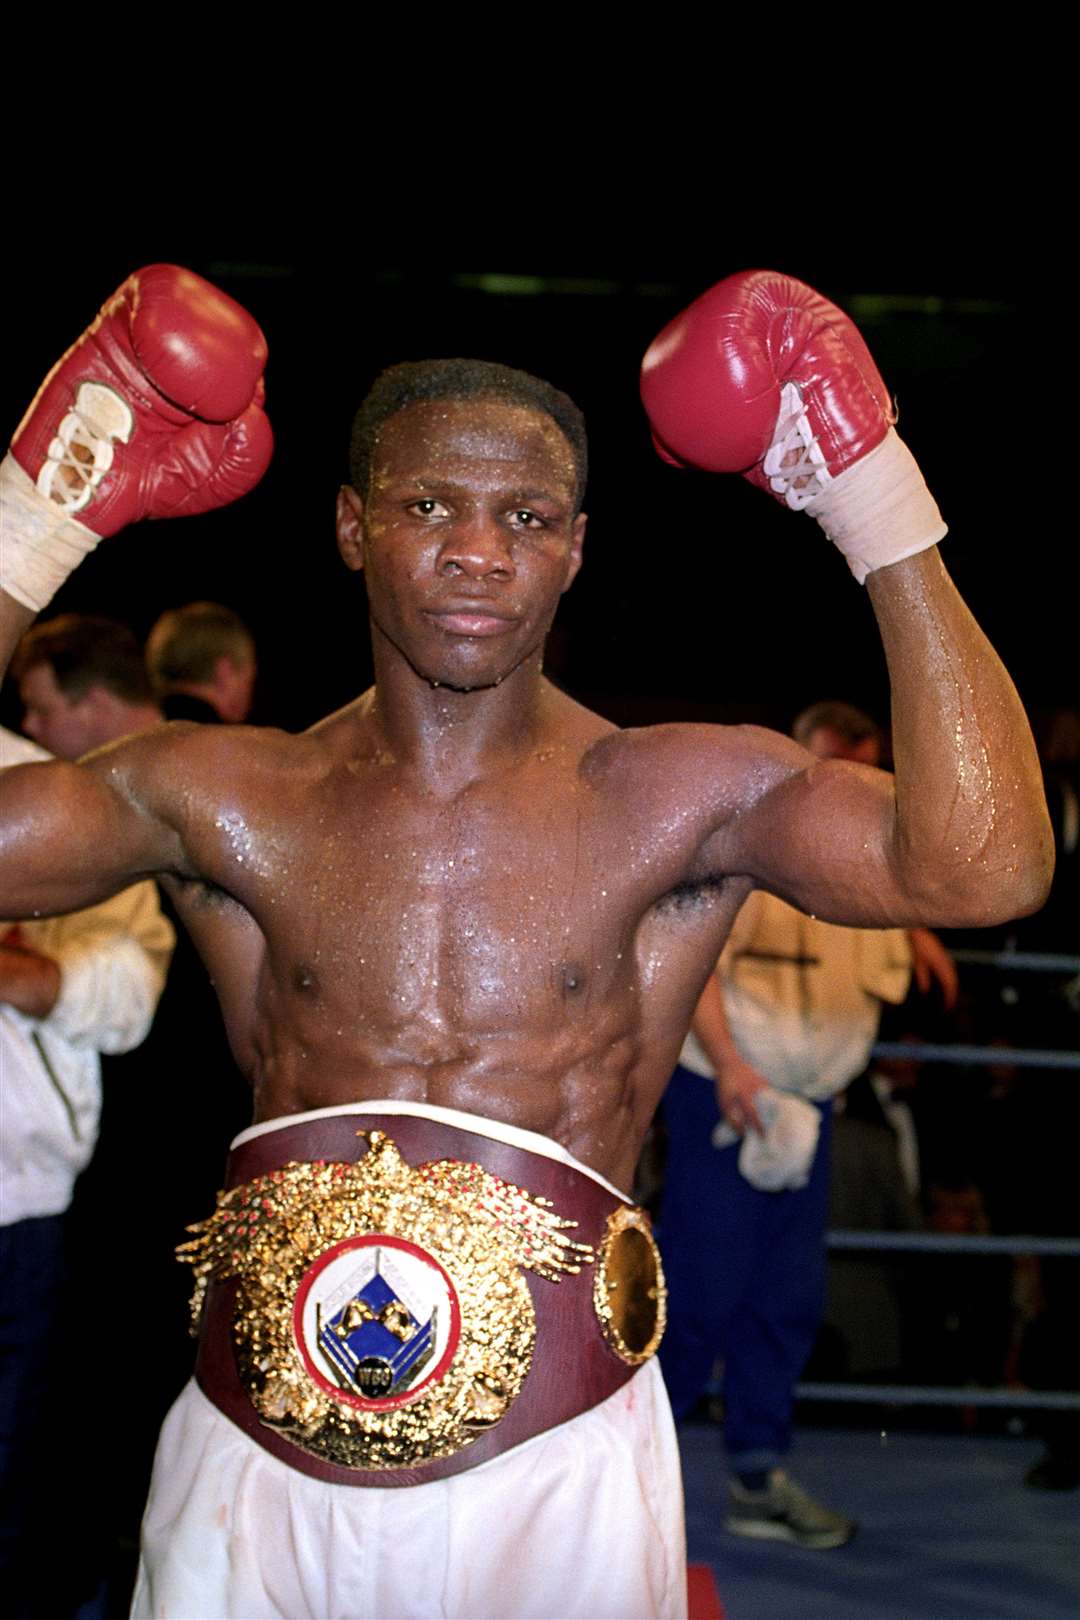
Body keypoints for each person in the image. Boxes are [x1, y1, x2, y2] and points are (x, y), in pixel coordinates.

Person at [0, 263, 1053, 1620]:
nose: (478, 550)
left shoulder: (676, 796)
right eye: (429, 506)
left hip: (551, 1467)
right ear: (351, 526)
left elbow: (986, 867)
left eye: (526, 516)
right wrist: (33, 516)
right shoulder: (222, 794)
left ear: (575, 548)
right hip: (250, 1467)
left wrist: (871, 497)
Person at [658, 703, 957, 1548]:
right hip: (724, 1087)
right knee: (697, 1296)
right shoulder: (734, 844)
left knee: (784, 1298)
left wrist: (921, 924)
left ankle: (757, 1479)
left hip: (808, 1100)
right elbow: (690, 962)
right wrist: (729, 1066)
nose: (850, 794)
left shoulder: (857, 869)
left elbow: (881, 906)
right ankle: (630, 1479)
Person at [0, 724, 174, 1620]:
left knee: (14, 1473)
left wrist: (32, 975)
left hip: (20, 1207)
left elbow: (129, 987)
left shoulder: (45, 790)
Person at [145, 599, 258, 722]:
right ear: (225, 672)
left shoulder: (132, 733)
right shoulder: (240, 739)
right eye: (250, 680)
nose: (250, 700)